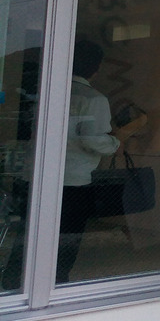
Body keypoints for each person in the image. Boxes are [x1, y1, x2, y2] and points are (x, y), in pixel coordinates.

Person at [56, 40, 146, 283]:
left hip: (37, 175)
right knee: (67, 239)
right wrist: (118, 139)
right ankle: (57, 286)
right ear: (96, 69)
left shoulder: (51, 91)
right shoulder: (93, 98)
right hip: (73, 181)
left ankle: (15, 283)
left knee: (33, 236)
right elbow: (93, 140)